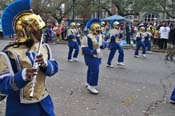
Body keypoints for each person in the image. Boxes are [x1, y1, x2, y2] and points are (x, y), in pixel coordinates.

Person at [0, 0, 58, 116]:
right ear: (27, 32)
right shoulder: (9, 54)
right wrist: (21, 76)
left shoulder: (43, 47)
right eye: (38, 31)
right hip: (21, 108)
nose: (42, 34)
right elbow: (2, 85)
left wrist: (45, 65)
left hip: (44, 102)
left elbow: (54, 68)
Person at [81, 18, 106, 94]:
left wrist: (103, 45)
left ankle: (88, 82)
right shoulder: (87, 37)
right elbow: (84, 48)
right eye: (97, 29)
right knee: (95, 70)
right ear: (93, 29)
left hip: (98, 56)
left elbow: (104, 44)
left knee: (91, 69)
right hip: (91, 56)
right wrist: (94, 51)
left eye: (99, 29)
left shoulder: (100, 36)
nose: (99, 31)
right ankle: (92, 86)